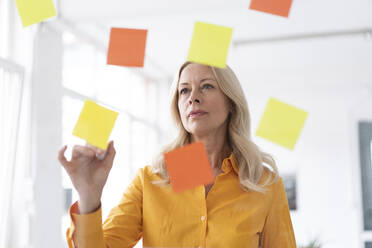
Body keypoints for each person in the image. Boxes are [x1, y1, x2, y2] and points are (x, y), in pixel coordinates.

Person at [58, 61, 297, 248]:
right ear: (178, 106)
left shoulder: (263, 184)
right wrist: (89, 197)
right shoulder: (151, 181)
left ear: (231, 102)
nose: (193, 97)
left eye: (207, 86)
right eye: (184, 90)